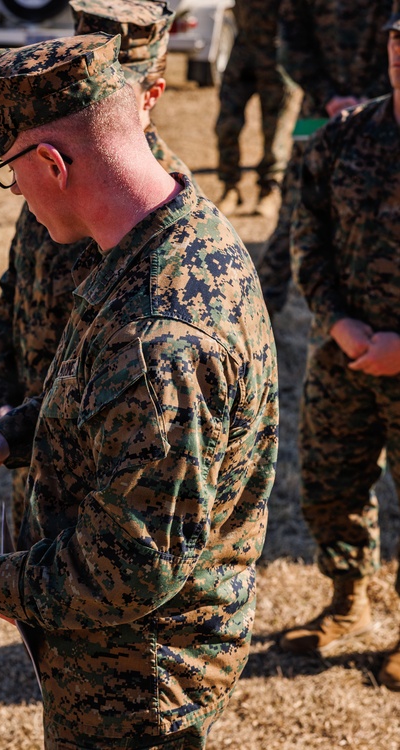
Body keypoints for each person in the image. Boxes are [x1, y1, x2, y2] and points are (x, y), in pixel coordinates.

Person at [0, 33, 279, 748]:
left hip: (137, 683)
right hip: (123, 660)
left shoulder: (159, 334)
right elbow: (104, 402)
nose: (20, 197)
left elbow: (132, 567)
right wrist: (14, 431)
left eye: (12, 174)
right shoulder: (170, 233)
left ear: (51, 162)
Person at [0, 0, 199, 543]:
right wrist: (3, 410)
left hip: (99, 470)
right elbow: (12, 295)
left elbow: (140, 553)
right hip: (36, 439)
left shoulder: (149, 216)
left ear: (148, 95)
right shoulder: (57, 179)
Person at [278, 14, 400, 692]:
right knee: (329, 483)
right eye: (397, 42)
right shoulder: (345, 138)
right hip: (344, 355)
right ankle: (347, 601)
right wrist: (340, 324)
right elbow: (307, 237)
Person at [254, 0, 392, 314]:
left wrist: (373, 98)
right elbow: (290, 43)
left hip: (384, 117)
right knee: (294, 215)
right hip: (319, 117)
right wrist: (331, 98)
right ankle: (259, 316)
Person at [213, 0, 295, 218]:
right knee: (226, 125)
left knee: (275, 129)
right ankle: (230, 188)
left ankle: (269, 190)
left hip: (277, 54)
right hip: (243, 52)